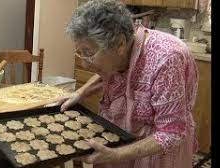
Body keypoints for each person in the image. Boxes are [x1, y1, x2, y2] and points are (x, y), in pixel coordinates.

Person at [60, 0, 199, 167]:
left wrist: (116, 154)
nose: (84, 64)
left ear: (119, 44)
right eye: (80, 52)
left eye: (89, 53)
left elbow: (171, 132)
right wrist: (80, 92)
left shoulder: (167, 59)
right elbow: (110, 72)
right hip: (124, 136)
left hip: (156, 151)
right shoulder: (121, 52)